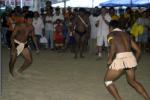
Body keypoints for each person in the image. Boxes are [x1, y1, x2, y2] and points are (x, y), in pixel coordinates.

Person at [104, 20, 150, 100]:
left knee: (107, 81)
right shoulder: (126, 35)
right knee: (132, 81)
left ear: (111, 27)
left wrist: (110, 59)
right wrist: (133, 61)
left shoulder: (111, 34)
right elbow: (138, 50)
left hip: (120, 59)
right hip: (130, 58)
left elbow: (113, 45)